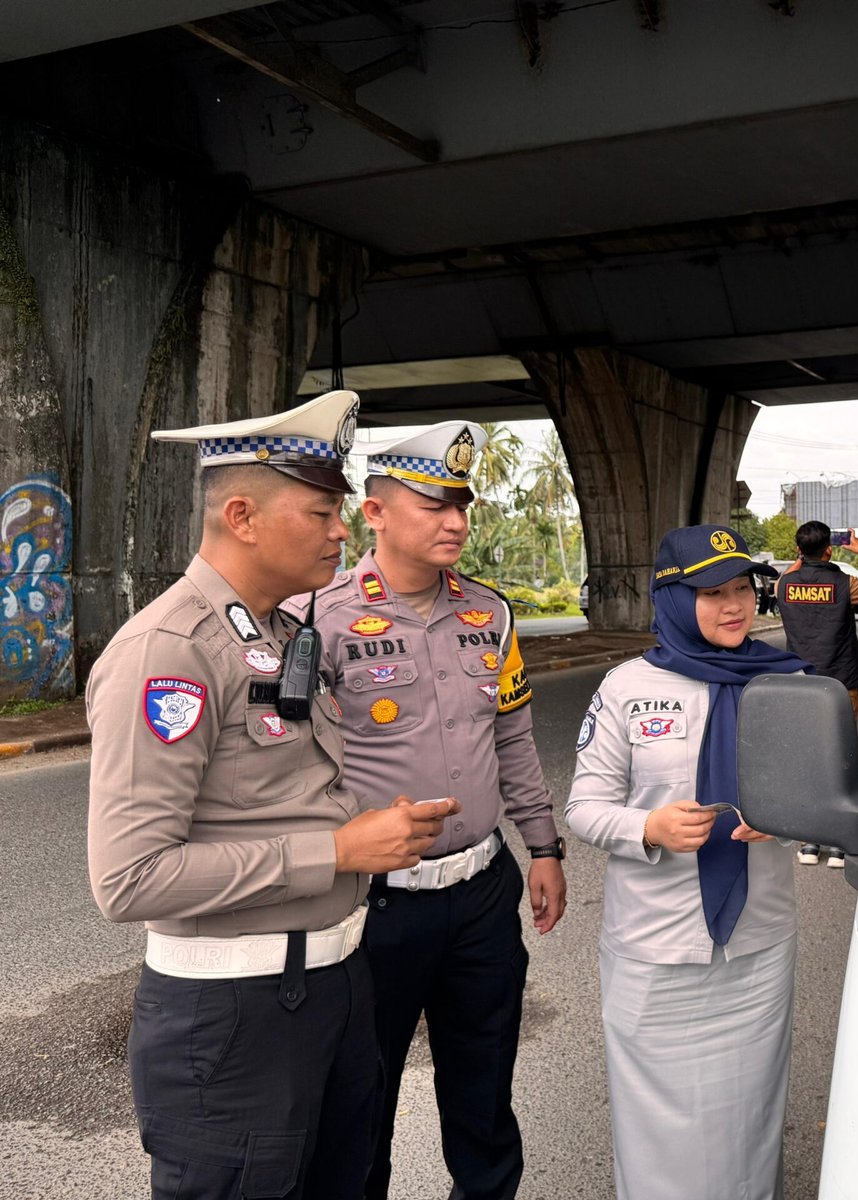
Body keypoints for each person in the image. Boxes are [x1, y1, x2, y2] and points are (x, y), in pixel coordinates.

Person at [85, 390, 461, 1200]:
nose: (341, 530)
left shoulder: (279, 635)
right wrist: (336, 850)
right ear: (244, 517)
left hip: (333, 987)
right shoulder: (169, 652)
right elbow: (130, 878)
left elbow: (281, 793)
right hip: (233, 1015)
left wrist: (366, 826)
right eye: (322, 511)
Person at [296, 421, 566, 1200]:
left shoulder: (490, 613)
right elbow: (284, 765)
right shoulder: (316, 618)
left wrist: (542, 846)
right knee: (359, 1107)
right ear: (375, 512)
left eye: (463, 505)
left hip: (482, 894)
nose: (455, 522)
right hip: (373, 906)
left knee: (484, 1098)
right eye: (433, 504)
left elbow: (511, 735)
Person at [566, 523, 811, 1200]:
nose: (735, 605)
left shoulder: (789, 685)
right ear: (673, 598)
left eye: (742, 588)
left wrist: (785, 818)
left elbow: (824, 805)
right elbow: (584, 808)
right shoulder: (625, 688)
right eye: (712, 592)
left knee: (750, 1117)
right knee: (658, 1128)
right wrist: (647, 825)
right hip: (656, 949)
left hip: (755, 950)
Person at [775, 521, 858, 865]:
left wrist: (802, 557)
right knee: (840, 758)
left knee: (809, 759)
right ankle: (840, 843)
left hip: (800, 683)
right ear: (830, 549)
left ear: (798, 550)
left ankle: (810, 842)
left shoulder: (785, 585)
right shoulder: (843, 583)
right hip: (840, 682)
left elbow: (793, 571)